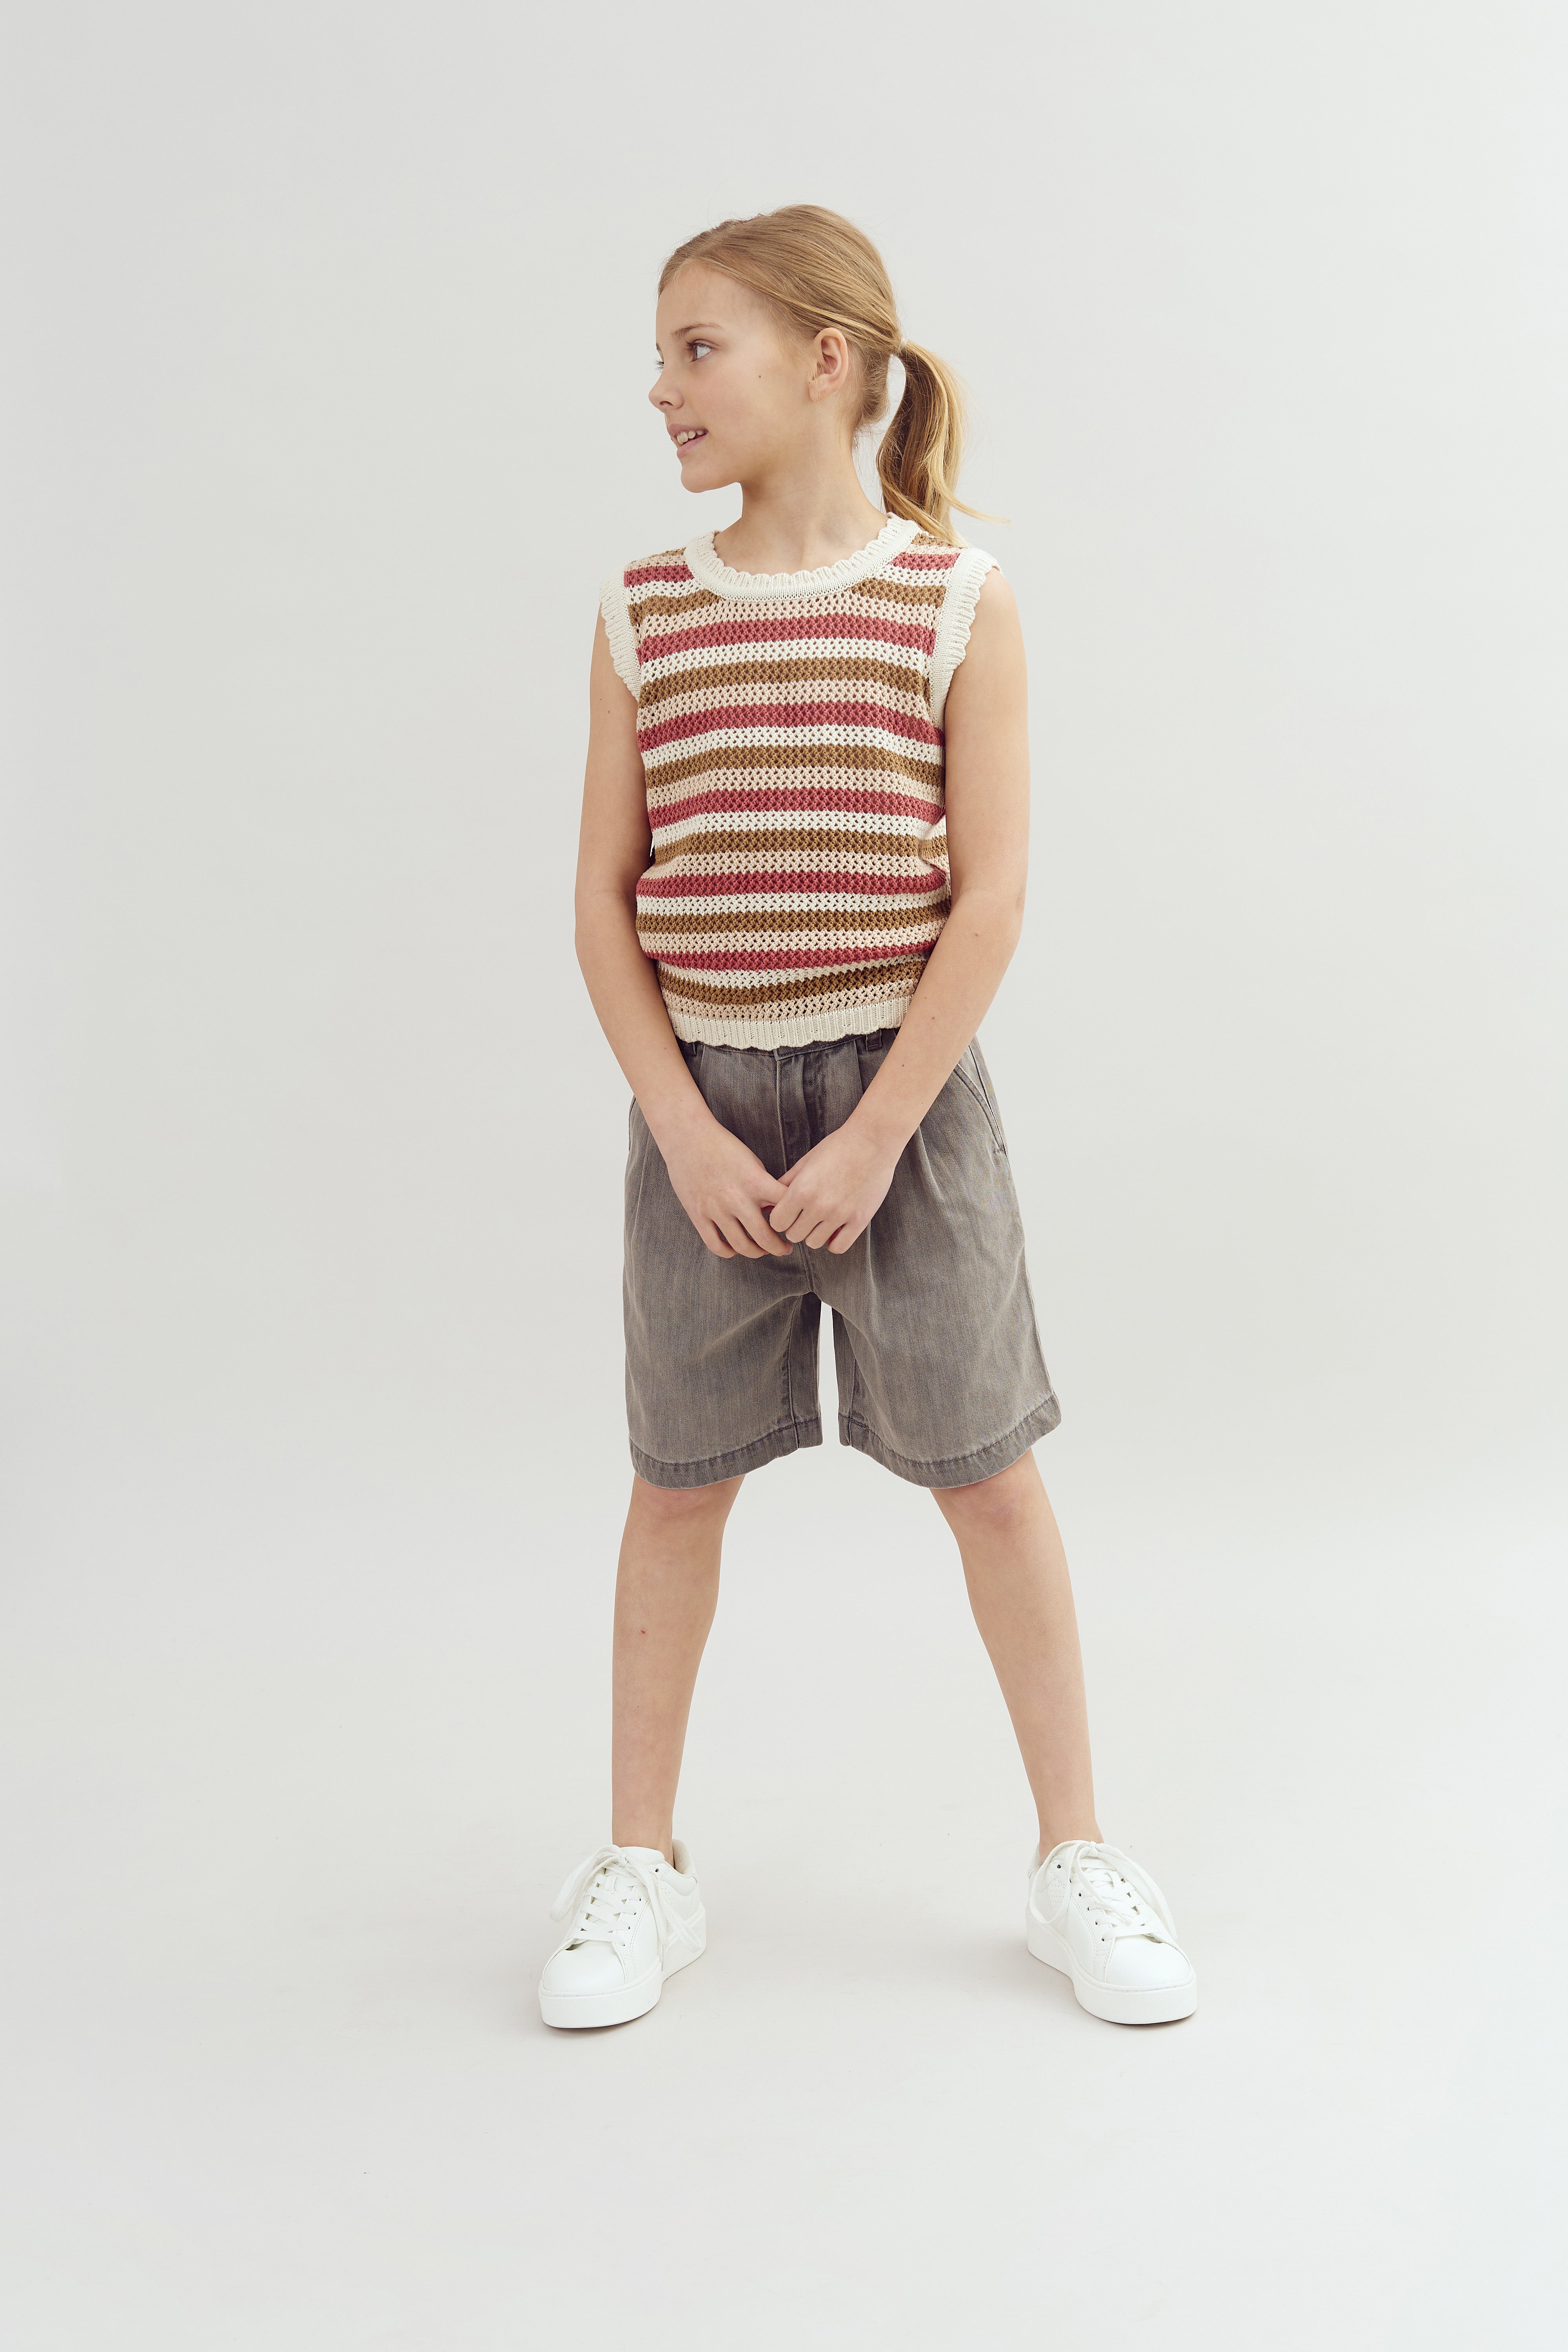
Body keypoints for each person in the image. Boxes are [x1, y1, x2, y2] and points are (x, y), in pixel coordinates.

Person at [542, 205, 1196, 2033]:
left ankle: (1076, 1854)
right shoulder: (643, 611)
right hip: (706, 1111)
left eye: (697, 349)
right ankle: (640, 1864)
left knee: (988, 1477)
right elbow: (601, 900)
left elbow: (988, 901)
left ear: (827, 361)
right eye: (660, 354)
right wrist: (685, 1132)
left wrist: (876, 1135)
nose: (662, 388)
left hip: (904, 1115)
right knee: (677, 1488)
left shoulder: (954, 602)